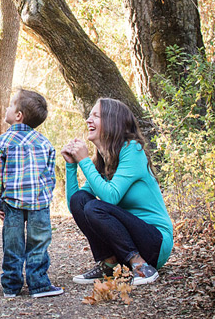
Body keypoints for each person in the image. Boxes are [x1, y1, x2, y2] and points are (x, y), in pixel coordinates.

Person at [61, 98, 173, 286]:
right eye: (89, 116)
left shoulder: (132, 149)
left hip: (154, 241)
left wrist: (84, 161)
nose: (89, 120)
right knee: (82, 199)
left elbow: (110, 197)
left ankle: (141, 266)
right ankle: (109, 264)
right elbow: (75, 205)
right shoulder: (103, 162)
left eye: (96, 116)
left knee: (95, 207)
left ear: (113, 121)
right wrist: (71, 167)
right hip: (126, 243)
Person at [0, 89, 64, 299]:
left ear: (18, 115)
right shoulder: (45, 143)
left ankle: (11, 286)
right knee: (39, 244)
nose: (6, 108)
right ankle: (38, 285)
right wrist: (46, 196)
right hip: (39, 203)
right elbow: (50, 176)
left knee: (12, 244)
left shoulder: (2, 142)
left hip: (12, 202)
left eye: (10, 105)